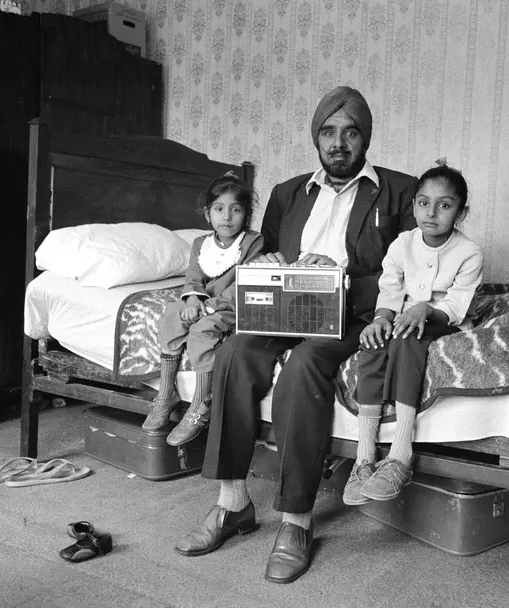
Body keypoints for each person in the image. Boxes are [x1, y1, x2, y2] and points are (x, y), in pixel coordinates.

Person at [174, 86, 417, 583]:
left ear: (365, 137)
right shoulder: (287, 193)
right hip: (286, 308)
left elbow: (410, 271)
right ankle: (232, 502)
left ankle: (296, 521)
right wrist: (265, 263)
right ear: (316, 137)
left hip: (350, 314)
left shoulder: (400, 190)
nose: (339, 142)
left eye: (350, 131)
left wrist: (340, 275)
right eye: (328, 131)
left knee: (306, 364)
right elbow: (262, 256)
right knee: (235, 352)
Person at [343, 162, 483, 506]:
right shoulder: (402, 244)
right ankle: (364, 458)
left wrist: (425, 310)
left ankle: (400, 454)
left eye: (444, 205)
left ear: (461, 212)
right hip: (404, 313)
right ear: (414, 205)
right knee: (374, 345)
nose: (431, 213)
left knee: (407, 340)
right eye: (423, 203)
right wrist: (380, 318)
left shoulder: (469, 253)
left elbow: (456, 303)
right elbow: (389, 288)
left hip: (441, 318)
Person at [142, 173, 264, 447]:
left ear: (246, 214)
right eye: (219, 209)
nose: (227, 217)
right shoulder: (201, 243)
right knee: (172, 314)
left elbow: (245, 283)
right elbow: (193, 278)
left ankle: (201, 404)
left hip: (234, 305)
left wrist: (211, 305)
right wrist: (194, 301)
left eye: (236, 210)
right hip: (203, 302)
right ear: (208, 214)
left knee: (202, 331)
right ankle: (166, 393)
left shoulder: (253, 242)